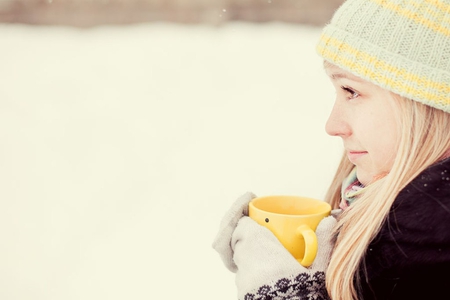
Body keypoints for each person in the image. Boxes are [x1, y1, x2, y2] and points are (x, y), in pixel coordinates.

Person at [212, 0, 450, 299]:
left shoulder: (425, 235)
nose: (333, 125)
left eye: (352, 91)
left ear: (424, 102)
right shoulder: (408, 226)